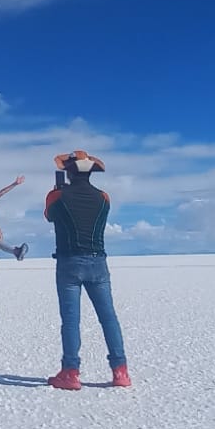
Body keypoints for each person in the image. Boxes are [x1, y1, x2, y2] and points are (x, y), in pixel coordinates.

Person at [43, 150, 129, 390]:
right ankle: (120, 371)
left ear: (68, 172)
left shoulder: (56, 196)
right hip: (98, 263)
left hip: (69, 262)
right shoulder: (104, 198)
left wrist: (57, 192)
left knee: (71, 320)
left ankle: (71, 372)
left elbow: (49, 216)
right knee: (108, 318)